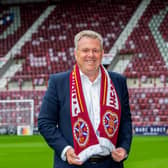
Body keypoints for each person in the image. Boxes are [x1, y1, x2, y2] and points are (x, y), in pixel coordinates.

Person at [38, 30, 132, 168]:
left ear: (102, 54)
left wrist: (124, 147)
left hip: (110, 164)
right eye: (85, 50)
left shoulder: (118, 81)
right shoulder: (59, 82)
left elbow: (125, 121)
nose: (91, 55)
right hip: (72, 164)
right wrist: (65, 150)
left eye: (95, 50)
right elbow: (45, 122)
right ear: (76, 54)